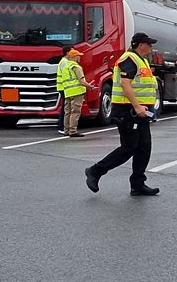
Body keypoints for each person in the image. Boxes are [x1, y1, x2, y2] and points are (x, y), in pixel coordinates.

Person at [84, 33, 161, 196]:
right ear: (141, 45)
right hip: (128, 111)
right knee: (129, 147)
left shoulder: (142, 61)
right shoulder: (129, 59)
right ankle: (95, 171)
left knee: (144, 147)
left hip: (140, 112)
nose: (151, 47)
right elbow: (126, 85)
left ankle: (138, 184)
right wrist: (137, 106)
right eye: (149, 44)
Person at [56, 46, 96, 137]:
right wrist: (90, 87)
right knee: (75, 112)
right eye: (78, 56)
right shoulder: (76, 66)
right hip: (76, 91)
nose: (80, 57)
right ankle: (73, 131)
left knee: (68, 111)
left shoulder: (66, 66)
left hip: (67, 91)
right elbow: (82, 81)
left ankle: (66, 130)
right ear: (74, 57)